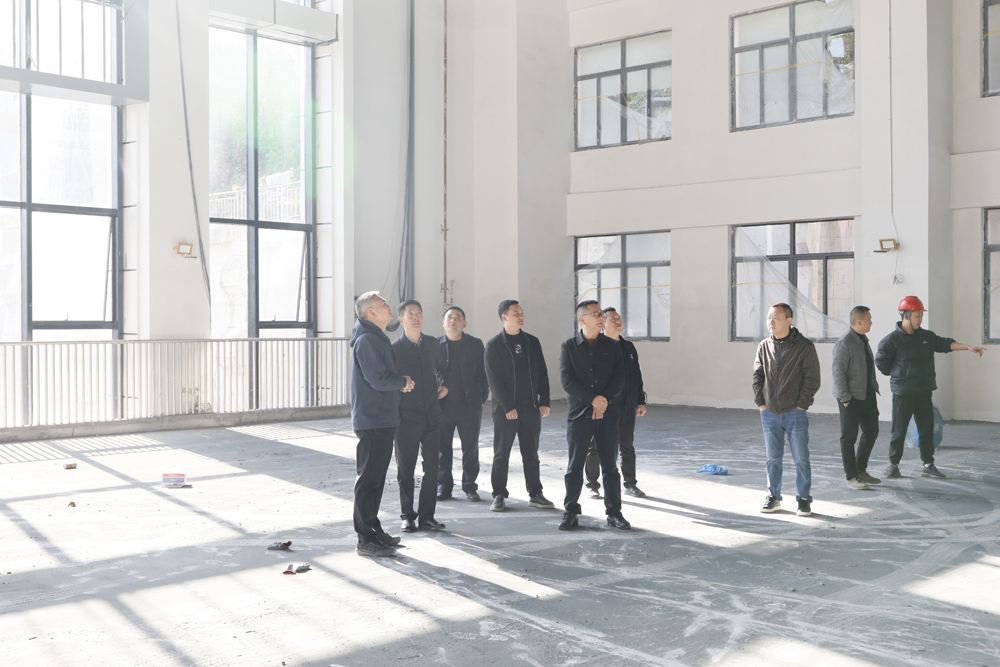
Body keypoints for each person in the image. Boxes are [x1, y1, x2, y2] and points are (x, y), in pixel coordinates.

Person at [875, 296, 985, 479]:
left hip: (923, 392)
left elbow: (945, 344)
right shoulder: (891, 340)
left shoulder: (926, 337)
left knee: (926, 430)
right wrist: (899, 374)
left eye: (921, 315)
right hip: (903, 393)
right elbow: (881, 362)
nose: (920, 319)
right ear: (906, 315)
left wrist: (967, 347)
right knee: (899, 431)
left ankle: (928, 465)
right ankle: (893, 465)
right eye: (917, 315)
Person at [349, 291, 414, 558]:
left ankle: (373, 530)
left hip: (383, 417)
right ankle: (364, 539)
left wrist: (400, 381)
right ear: (371, 312)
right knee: (368, 480)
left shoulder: (376, 337)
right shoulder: (367, 340)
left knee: (375, 480)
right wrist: (402, 382)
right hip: (372, 418)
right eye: (383, 304)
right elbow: (377, 379)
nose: (389, 306)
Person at [559, 300, 629, 531]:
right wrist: (592, 400)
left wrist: (603, 401)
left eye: (601, 314)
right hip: (579, 414)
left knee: (610, 467)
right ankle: (570, 512)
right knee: (574, 466)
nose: (601, 318)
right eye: (596, 314)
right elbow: (567, 380)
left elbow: (619, 378)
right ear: (582, 319)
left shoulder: (613, 346)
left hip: (608, 414)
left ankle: (614, 513)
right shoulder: (569, 347)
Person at [484, 300, 555, 512]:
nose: (521, 316)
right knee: (501, 454)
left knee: (531, 454)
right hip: (505, 411)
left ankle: (535, 493)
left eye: (522, 312)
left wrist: (544, 401)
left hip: (530, 407)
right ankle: (498, 494)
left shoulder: (532, 342)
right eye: (516, 313)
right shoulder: (494, 345)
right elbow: (494, 380)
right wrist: (508, 407)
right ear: (504, 317)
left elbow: (542, 372)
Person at [753, 303, 821, 517]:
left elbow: (812, 379)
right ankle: (773, 497)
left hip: (794, 412)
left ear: (789, 321)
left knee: (801, 457)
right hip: (769, 412)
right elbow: (757, 375)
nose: (771, 322)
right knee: (773, 458)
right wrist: (761, 403)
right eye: (769, 318)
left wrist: (801, 405)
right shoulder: (764, 346)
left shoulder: (804, 347)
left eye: (776, 318)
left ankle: (803, 499)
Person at [392, 300, 448, 532]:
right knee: (406, 469)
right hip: (406, 417)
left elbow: (442, 368)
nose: (416, 318)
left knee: (432, 468)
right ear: (401, 320)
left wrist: (443, 384)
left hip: (432, 415)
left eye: (419, 314)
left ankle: (427, 516)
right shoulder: (395, 349)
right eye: (411, 314)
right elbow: (389, 379)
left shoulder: (433, 343)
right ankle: (407, 515)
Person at [584, 307, 647, 498]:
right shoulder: (596, 346)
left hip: (626, 405)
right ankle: (592, 484)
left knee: (626, 445)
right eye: (613, 319)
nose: (618, 322)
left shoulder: (628, 347)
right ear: (603, 324)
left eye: (619, 319)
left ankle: (630, 484)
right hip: (603, 406)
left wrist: (640, 401)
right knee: (595, 446)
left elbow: (636, 375)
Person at [437, 306, 490, 502]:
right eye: (449, 317)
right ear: (443, 323)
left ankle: (469, 486)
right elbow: (431, 372)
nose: (453, 320)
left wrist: (481, 399)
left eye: (458, 317)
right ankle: (444, 486)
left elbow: (483, 373)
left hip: (469, 405)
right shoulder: (435, 345)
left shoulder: (475, 344)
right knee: (442, 448)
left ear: (464, 323)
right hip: (443, 405)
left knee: (470, 448)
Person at [832, 306, 882, 491]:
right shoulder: (844, 343)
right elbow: (838, 373)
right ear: (859, 321)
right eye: (869, 319)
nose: (871, 322)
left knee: (871, 431)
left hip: (867, 395)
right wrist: (845, 398)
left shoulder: (862, 339)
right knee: (849, 438)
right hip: (850, 398)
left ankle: (861, 469)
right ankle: (851, 476)